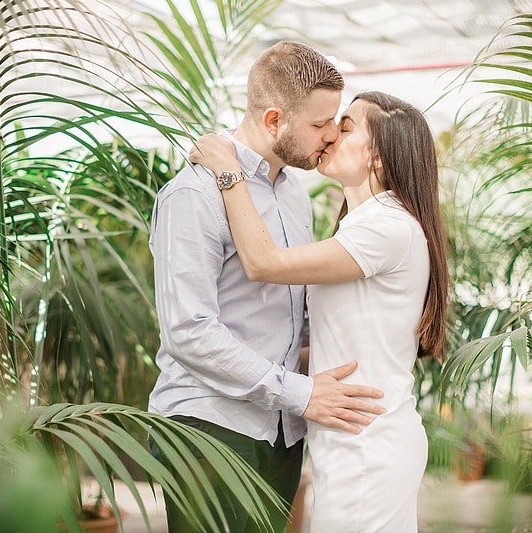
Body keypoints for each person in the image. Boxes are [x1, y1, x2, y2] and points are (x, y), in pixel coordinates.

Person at [147, 41, 386, 532]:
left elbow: (288, 311)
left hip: (280, 430)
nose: (329, 137)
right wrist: (299, 393)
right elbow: (188, 331)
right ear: (274, 119)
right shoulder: (194, 193)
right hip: (210, 427)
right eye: (319, 125)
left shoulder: (294, 193)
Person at [189, 91, 449, 532]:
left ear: (379, 159)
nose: (329, 135)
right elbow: (332, 343)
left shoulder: (388, 228)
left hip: (368, 447)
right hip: (350, 439)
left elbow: (263, 263)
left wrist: (229, 171)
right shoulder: (365, 225)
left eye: (345, 127)